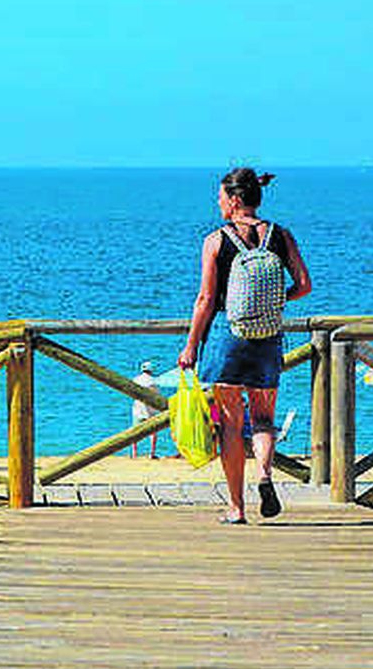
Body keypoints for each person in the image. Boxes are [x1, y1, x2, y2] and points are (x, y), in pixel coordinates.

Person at [178, 168, 312, 524]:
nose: (218, 203)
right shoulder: (280, 235)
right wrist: (273, 302)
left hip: (227, 336)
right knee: (264, 418)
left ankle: (237, 508)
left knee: (231, 426)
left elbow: (206, 299)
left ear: (235, 200)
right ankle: (265, 476)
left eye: (221, 197)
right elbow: (303, 285)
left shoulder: (216, 241)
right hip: (267, 336)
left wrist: (191, 346)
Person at [130, 361, 160, 458]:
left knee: (135, 431)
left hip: (138, 408)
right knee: (153, 432)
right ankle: (152, 453)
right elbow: (157, 395)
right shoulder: (154, 381)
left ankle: (134, 453)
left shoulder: (136, 380)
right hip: (151, 408)